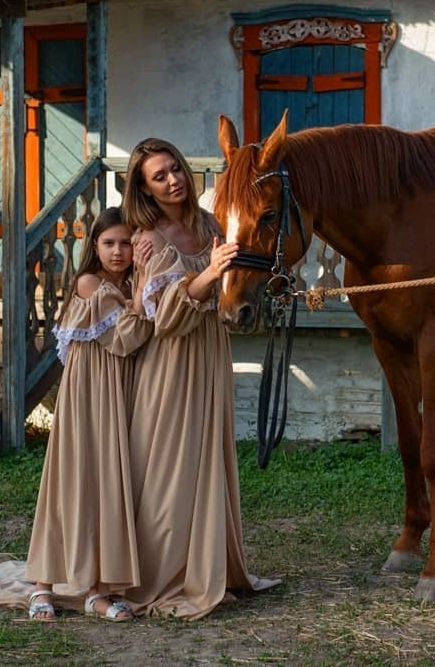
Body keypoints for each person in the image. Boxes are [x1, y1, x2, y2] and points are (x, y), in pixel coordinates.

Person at [121, 137, 279, 620]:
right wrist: (210, 273)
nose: (173, 180)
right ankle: (165, 578)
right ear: (145, 190)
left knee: (208, 458)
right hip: (171, 362)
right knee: (170, 465)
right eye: (159, 176)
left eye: (175, 169)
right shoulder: (150, 239)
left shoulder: (210, 223)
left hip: (210, 350)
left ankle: (207, 570)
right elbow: (165, 317)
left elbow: (233, 279)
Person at [24, 206, 153, 622]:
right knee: (70, 480)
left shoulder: (126, 285)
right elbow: (127, 338)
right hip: (87, 392)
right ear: (94, 246)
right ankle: (43, 584)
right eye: (109, 243)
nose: (118, 251)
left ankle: (96, 591)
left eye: (126, 243)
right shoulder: (90, 284)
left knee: (106, 485)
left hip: (116, 390)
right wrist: (142, 293)